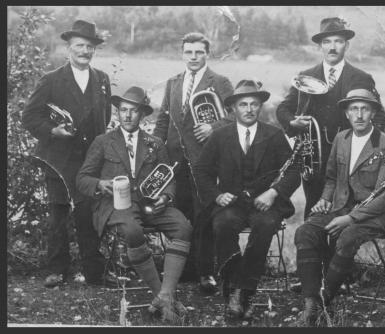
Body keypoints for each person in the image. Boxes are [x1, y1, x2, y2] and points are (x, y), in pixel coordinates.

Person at [76, 86, 192, 324]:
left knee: (183, 227)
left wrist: (166, 198)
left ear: (143, 115)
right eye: (123, 110)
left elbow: (168, 177)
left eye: (134, 111)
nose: (127, 115)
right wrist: (101, 184)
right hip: (117, 206)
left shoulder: (155, 143)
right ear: (117, 113)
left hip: (151, 204)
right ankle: (164, 297)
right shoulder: (103, 142)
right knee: (132, 230)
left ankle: (165, 296)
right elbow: (82, 179)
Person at [194, 79, 301, 319]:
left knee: (264, 226)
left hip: (266, 203)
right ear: (233, 108)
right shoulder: (220, 136)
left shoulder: (274, 135)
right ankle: (235, 288)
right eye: (243, 104)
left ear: (261, 107)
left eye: (254, 104)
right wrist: (217, 194)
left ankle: (242, 293)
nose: (249, 109)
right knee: (222, 224)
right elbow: (201, 171)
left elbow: (294, 169)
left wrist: (274, 192)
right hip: (231, 203)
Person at [294, 89, 385, 326]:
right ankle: (311, 301)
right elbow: (331, 178)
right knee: (305, 232)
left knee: (347, 237)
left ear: (373, 112)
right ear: (347, 113)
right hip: (340, 208)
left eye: (364, 109)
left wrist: (350, 219)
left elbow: (383, 197)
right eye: (354, 109)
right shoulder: (342, 138)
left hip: (374, 215)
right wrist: (324, 199)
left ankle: (323, 300)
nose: (359, 114)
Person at [22, 19, 113, 288]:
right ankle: (56, 270)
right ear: (69, 49)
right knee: (58, 214)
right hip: (58, 159)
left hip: (89, 160)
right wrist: (53, 131)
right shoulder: (51, 79)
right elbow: (29, 117)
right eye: (79, 46)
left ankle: (94, 272)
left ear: (94, 50)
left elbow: (104, 119)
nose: (84, 51)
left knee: (88, 214)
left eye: (89, 46)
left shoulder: (102, 80)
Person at [276, 17, 385, 219]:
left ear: (347, 44)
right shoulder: (306, 76)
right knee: (314, 212)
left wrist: (369, 152)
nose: (332, 47)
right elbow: (283, 108)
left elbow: (379, 116)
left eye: (338, 41)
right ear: (319, 46)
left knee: (343, 215)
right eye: (327, 42)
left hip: (350, 158)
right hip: (314, 159)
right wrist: (293, 122)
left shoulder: (361, 77)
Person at [153, 32, 234, 293]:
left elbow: (235, 117)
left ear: (207, 54)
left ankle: (206, 273)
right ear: (182, 53)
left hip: (206, 161)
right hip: (176, 161)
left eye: (199, 52)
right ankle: (185, 269)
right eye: (189, 52)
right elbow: (164, 120)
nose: (193, 57)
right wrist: (154, 147)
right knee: (181, 214)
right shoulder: (173, 82)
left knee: (205, 215)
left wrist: (214, 126)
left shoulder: (220, 81)